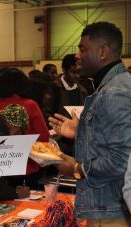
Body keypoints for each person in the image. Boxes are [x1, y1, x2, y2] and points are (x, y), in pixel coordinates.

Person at [49, 22, 131, 226]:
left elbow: (122, 159)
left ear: (103, 52)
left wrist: (77, 168)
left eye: (83, 49)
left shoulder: (115, 92)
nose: (77, 55)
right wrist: (83, 131)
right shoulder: (110, 87)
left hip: (112, 210)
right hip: (109, 206)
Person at [42, 54, 88, 156]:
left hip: (78, 142)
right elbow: (46, 114)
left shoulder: (83, 90)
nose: (77, 76)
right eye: (73, 72)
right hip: (58, 141)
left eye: (79, 72)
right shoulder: (53, 88)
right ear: (64, 70)